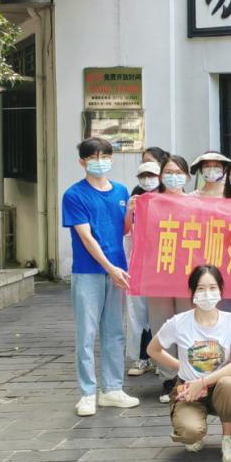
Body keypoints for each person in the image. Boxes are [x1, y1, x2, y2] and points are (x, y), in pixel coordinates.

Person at [62, 137, 140, 417]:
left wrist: (129, 212)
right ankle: (87, 393)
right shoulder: (74, 195)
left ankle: (112, 389)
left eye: (105, 156)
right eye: (93, 157)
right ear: (82, 162)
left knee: (115, 332)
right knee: (87, 333)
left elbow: (122, 230)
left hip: (117, 271)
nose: (100, 161)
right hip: (89, 272)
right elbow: (86, 238)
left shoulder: (120, 191)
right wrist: (110, 267)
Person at [147, 265, 231, 462]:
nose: (207, 293)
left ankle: (227, 439)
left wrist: (203, 382)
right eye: (201, 288)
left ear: (221, 290)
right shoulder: (178, 322)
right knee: (190, 434)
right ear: (192, 292)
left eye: (212, 287)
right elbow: (153, 350)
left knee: (229, 384)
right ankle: (194, 431)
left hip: (220, 388)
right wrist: (181, 366)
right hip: (188, 390)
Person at [149, 154, 192, 403]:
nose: (173, 177)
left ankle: (187, 375)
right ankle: (168, 378)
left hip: (187, 273)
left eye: (178, 172)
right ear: (161, 176)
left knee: (187, 325)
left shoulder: (196, 203)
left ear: (187, 176)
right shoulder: (150, 202)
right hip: (158, 273)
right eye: (168, 172)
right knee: (161, 324)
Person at [123, 160, 160, 378]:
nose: (147, 180)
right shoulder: (135, 201)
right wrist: (129, 212)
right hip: (137, 266)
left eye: (151, 176)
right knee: (138, 314)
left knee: (160, 313)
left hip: (162, 266)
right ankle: (142, 357)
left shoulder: (167, 200)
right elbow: (125, 231)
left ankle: (161, 358)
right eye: (143, 176)